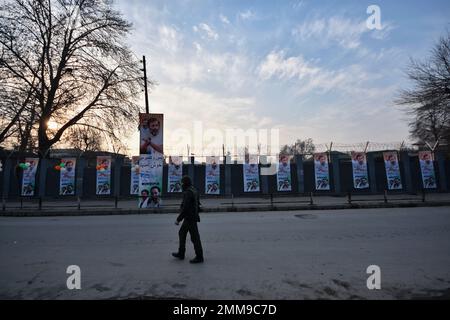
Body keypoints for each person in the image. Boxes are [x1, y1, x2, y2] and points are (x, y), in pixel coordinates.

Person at [172, 175, 204, 264]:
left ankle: (199, 256)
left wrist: (178, 219)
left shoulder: (188, 192)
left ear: (185, 183)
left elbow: (185, 208)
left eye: (182, 183)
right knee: (182, 233)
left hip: (190, 218)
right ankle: (181, 253)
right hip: (191, 216)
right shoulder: (193, 189)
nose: (181, 185)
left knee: (195, 238)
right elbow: (198, 203)